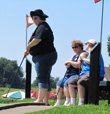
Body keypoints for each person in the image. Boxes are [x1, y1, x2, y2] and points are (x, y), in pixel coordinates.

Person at [24, 9, 57, 105]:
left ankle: (40, 100)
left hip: (44, 56)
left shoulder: (42, 27)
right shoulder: (41, 27)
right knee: (45, 78)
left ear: (41, 18)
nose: (34, 20)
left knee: (42, 77)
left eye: (35, 18)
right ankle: (45, 102)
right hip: (46, 55)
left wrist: (28, 46)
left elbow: (37, 40)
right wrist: (29, 50)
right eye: (33, 18)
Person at [68, 39, 105, 106]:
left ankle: (81, 102)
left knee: (81, 82)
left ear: (88, 44)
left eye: (86, 44)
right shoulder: (89, 54)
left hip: (94, 75)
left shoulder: (95, 53)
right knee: (71, 82)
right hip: (85, 74)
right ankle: (72, 102)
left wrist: (83, 58)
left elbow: (92, 62)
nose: (85, 46)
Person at [54, 40, 88, 106]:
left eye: (76, 47)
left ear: (80, 47)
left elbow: (78, 65)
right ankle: (59, 102)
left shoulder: (83, 54)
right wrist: (68, 65)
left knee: (66, 83)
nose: (74, 49)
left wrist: (69, 62)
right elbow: (71, 64)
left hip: (76, 74)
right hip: (69, 74)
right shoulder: (74, 56)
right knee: (59, 84)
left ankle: (68, 101)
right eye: (73, 47)